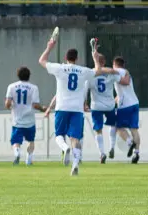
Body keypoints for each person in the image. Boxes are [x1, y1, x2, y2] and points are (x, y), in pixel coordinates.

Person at [39, 36, 112, 176]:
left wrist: (49, 47)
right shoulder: (83, 70)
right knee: (75, 138)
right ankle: (75, 164)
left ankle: (64, 148)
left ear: (66, 58)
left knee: (59, 135)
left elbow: (41, 60)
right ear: (77, 58)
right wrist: (95, 57)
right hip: (77, 109)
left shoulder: (60, 68)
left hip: (62, 107)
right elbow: (98, 70)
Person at [5, 67, 44, 166]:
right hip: (30, 121)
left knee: (16, 141)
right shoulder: (34, 88)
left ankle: (17, 153)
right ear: (29, 76)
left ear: (18, 75)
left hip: (17, 121)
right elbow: (35, 105)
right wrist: (42, 109)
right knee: (31, 141)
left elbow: (7, 103)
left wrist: (10, 107)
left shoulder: (12, 87)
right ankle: (28, 160)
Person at [110, 54, 142, 164]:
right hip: (134, 103)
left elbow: (124, 83)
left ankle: (129, 142)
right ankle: (136, 153)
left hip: (125, 106)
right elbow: (122, 92)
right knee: (134, 129)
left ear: (114, 64)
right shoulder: (126, 72)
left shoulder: (115, 72)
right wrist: (114, 100)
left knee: (118, 128)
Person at [88, 54, 119, 163]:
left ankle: (102, 153)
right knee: (113, 125)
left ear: (95, 61)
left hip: (96, 106)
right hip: (110, 105)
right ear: (104, 62)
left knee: (98, 130)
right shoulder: (110, 73)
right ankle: (112, 147)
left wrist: (84, 103)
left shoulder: (91, 73)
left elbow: (85, 88)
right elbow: (119, 78)